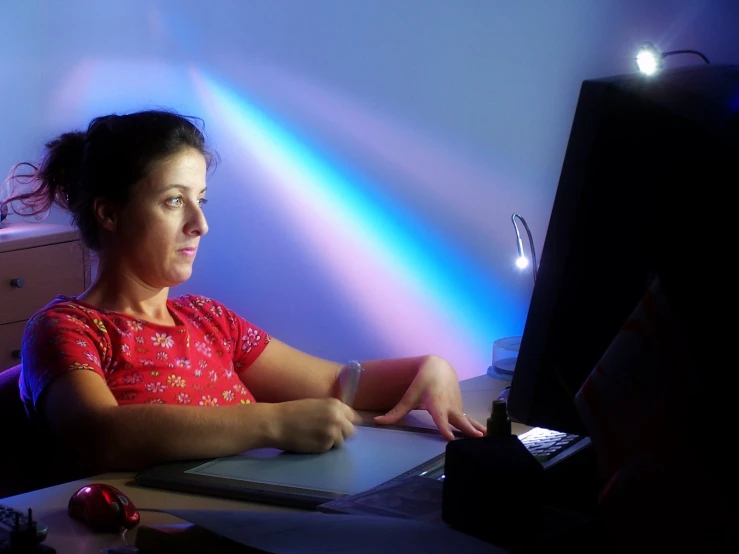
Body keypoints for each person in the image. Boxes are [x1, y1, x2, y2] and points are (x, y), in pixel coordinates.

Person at [2, 109, 486, 477]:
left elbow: (338, 384)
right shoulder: (66, 328)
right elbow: (98, 435)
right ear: (109, 214)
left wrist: (426, 369)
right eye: (174, 201)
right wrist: (272, 424)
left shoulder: (209, 319)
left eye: (201, 200)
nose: (200, 224)